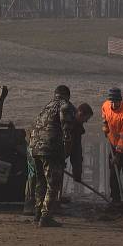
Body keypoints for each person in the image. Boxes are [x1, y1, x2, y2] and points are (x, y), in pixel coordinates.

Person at [22, 102, 93, 215]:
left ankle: (47, 206)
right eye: (86, 118)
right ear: (80, 113)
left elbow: (76, 152)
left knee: (48, 177)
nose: (86, 122)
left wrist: (77, 172)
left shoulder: (73, 125)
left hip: (45, 148)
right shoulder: (65, 119)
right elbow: (74, 151)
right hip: (36, 146)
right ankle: (31, 204)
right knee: (35, 175)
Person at [28, 85, 76, 227]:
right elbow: (67, 132)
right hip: (50, 149)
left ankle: (37, 213)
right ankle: (46, 217)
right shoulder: (65, 106)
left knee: (40, 181)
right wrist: (65, 153)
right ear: (67, 95)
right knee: (53, 184)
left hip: (35, 148)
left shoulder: (46, 107)